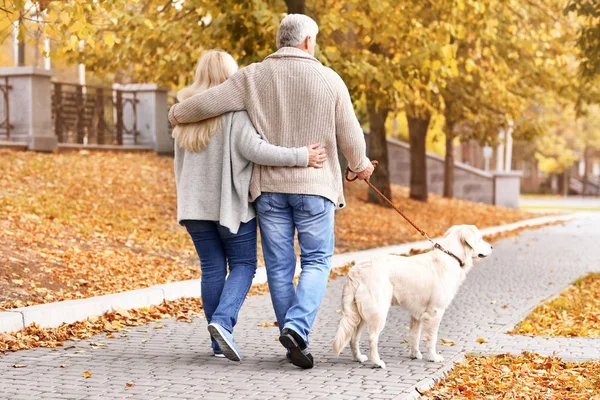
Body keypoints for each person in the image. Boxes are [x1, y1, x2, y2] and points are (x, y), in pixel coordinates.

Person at [169, 14, 374, 369]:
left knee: (280, 267)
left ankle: (292, 339)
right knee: (316, 260)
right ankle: (296, 328)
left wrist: (176, 113)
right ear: (308, 42)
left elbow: (204, 104)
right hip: (314, 186)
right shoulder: (329, 80)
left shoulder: (251, 76)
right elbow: (352, 140)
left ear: (280, 40)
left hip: (269, 192)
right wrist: (361, 166)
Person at [173, 50, 327, 362]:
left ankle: (218, 344)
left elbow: (178, 168)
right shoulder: (236, 114)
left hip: (193, 209)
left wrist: (186, 201)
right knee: (244, 265)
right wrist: (302, 156)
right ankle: (222, 323)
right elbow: (256, 150)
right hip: (231, 207)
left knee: (212, 267)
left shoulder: (185, 118)